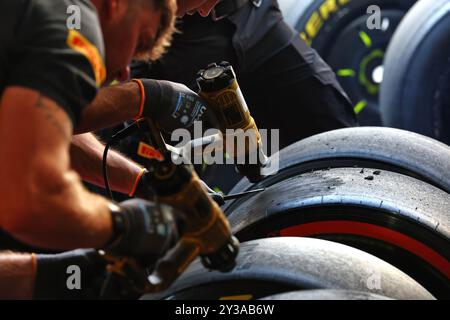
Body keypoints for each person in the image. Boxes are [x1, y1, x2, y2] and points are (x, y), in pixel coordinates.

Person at [0, 0, 180, 299]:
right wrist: (127, 225)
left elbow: (41, 132)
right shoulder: (77, 22)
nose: (125, 72)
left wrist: (46, 276)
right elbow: (32, 199)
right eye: (140, 41)